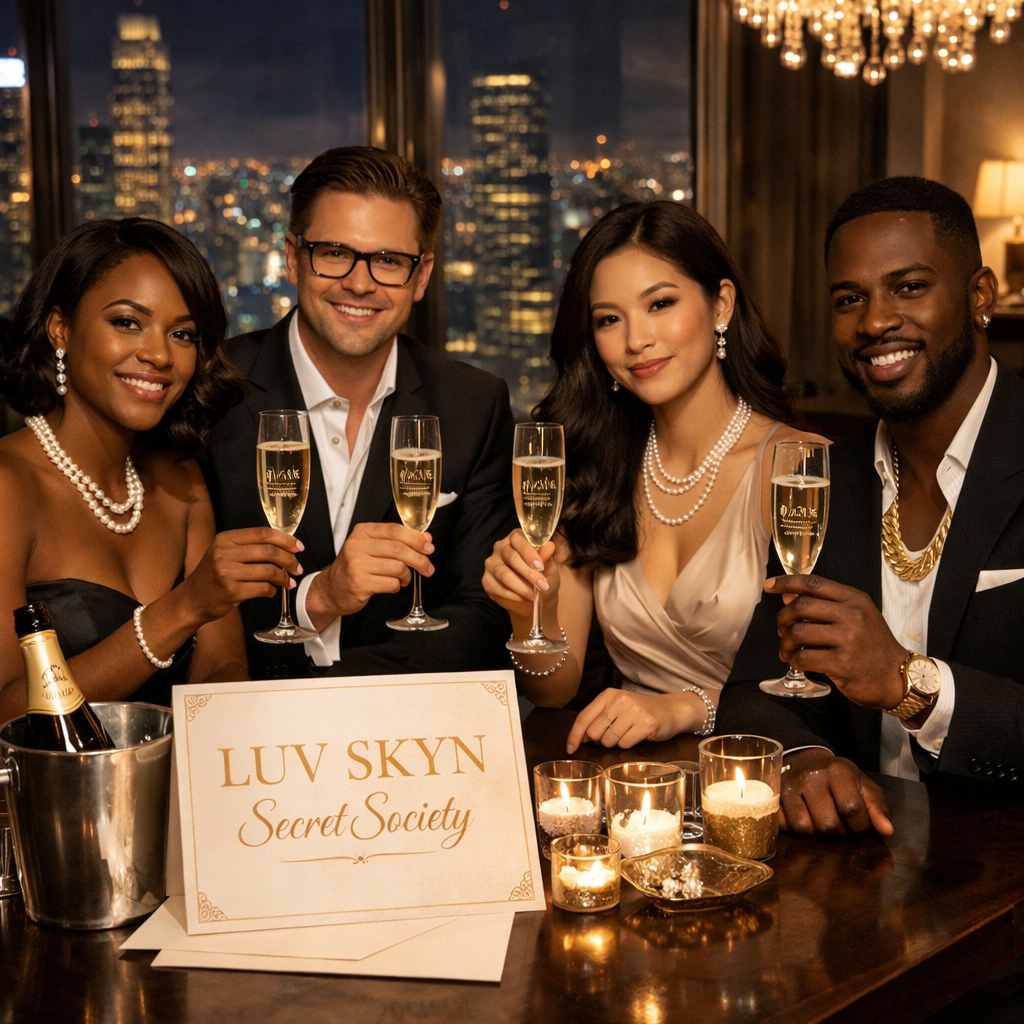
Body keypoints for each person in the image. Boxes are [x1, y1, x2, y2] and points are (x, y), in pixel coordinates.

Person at [718, 176, 1022, 839]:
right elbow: (751, 691)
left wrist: (909, 683)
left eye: (908, 287)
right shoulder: (821, 479)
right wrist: (805, 759)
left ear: (979, 296)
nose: (875, 322)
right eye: (850, 299)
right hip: (863, 868)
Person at [483, 200, 822, 750]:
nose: (635, 339)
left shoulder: (797, 470)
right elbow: (553, 690)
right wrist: (529, 616)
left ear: (721, 304)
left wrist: (687, 708)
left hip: (762, 769)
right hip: (634, 776)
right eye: (609, 319)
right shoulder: (594, 464)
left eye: (660, 304)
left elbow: (823, 686)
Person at [203, 147, 516, 679]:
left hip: (411, 725)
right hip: (247, 724)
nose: (360, 283)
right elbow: (183, 611)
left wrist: (342, 695)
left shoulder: (473, 404)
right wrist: (317, 598)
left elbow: (484, 621)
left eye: (389, 261)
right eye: (334, 253)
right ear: (293, 257)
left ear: (421, 276)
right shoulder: (213, 394)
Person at [0, 219, 305, 721]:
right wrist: (184, 607)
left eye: (182, 334)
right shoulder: (9, 486)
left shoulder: (180, 482)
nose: (160, 355)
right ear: (61, 328)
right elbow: (10, 710)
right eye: (127, 322)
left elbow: (223, 668)